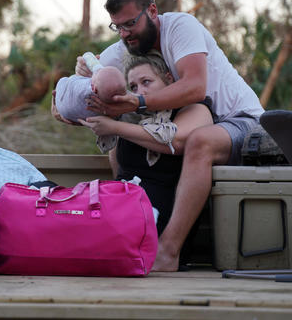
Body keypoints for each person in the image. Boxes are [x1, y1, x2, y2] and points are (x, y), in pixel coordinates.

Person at [61, 0, 264, 271]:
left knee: (199, 141)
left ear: (152, 11)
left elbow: (195, 86)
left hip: (241, 123)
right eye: (117, 26)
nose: (125, 33)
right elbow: (82, 89)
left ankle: (168, 252)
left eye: (130, 23)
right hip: (196, 124)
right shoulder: (126, 45)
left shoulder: (181, 27)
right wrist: (68, 102)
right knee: (125, 140)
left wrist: (136, 103)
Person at [79, 53, 213, 237]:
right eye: (133, 87)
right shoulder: (131, 118)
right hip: (119, 206)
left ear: (169, 79)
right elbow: (118, 167)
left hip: (160, 218)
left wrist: (115, 127)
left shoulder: (195, 109)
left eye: (146, 82)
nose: (139, 91)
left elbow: (175, 141)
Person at [55, 65, 127, 124]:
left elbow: (88, 56)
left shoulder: (90, 85)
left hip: (63, 97)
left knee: (66, 81)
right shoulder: (107, 109)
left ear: (93, 88)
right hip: (69, 113)